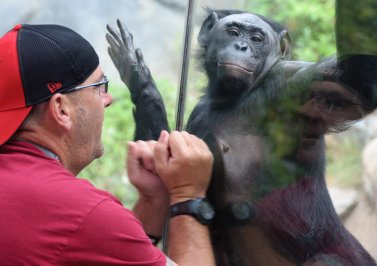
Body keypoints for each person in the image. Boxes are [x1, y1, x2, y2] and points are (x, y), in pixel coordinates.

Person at [0, 24, 215, 265]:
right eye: (98, 87)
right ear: (61, 109)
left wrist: (153, 201)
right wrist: (188, 195)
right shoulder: (81, 213)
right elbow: (83, 230)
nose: (108, 99)